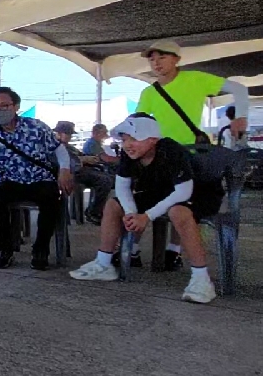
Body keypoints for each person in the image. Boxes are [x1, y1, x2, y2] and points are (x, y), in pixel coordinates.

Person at [69, 114, 218, 304]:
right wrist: (131, 213)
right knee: (114, 204)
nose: (128, 144)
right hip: (159, 191)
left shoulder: (171, 150)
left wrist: (146, 216)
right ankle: (103, 263)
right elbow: (122, 186)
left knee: (178, 211)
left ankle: (201, 279)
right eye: (124, 139)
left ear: (152, 139)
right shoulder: (128, 154)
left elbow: (184, 191)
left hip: (197, 192)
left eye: (134, 139)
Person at [0, 87, 74, 270]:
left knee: (51, 198)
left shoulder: (36, 126)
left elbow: (59, 149)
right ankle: (4, 250)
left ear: (16, 107)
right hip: (11, 181)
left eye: (4, 106)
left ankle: (41, 249)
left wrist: (64, 170)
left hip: (40, 179)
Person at [136, 40, 249, 145]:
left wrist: (241, 117)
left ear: (176, 59)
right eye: (151, 60)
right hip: (164, 151)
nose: (156, 63)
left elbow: (239, 89)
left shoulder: (196, 79)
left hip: (193, 150)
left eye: (162, 57)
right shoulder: (148, 93)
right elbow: (137, 123)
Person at [54, 121, 113, 226]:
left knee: (108, 177)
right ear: (58, 133)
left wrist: (89, 159)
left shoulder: (69, 146)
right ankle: (93, 212)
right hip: (72, 174)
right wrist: (84, 159)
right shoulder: (56, 146)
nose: (69, 136)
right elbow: (69, 162)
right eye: (67, 133)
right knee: (105, 180)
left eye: (70, 134)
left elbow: (78, 155)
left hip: (82, 171)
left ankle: (96, 210)